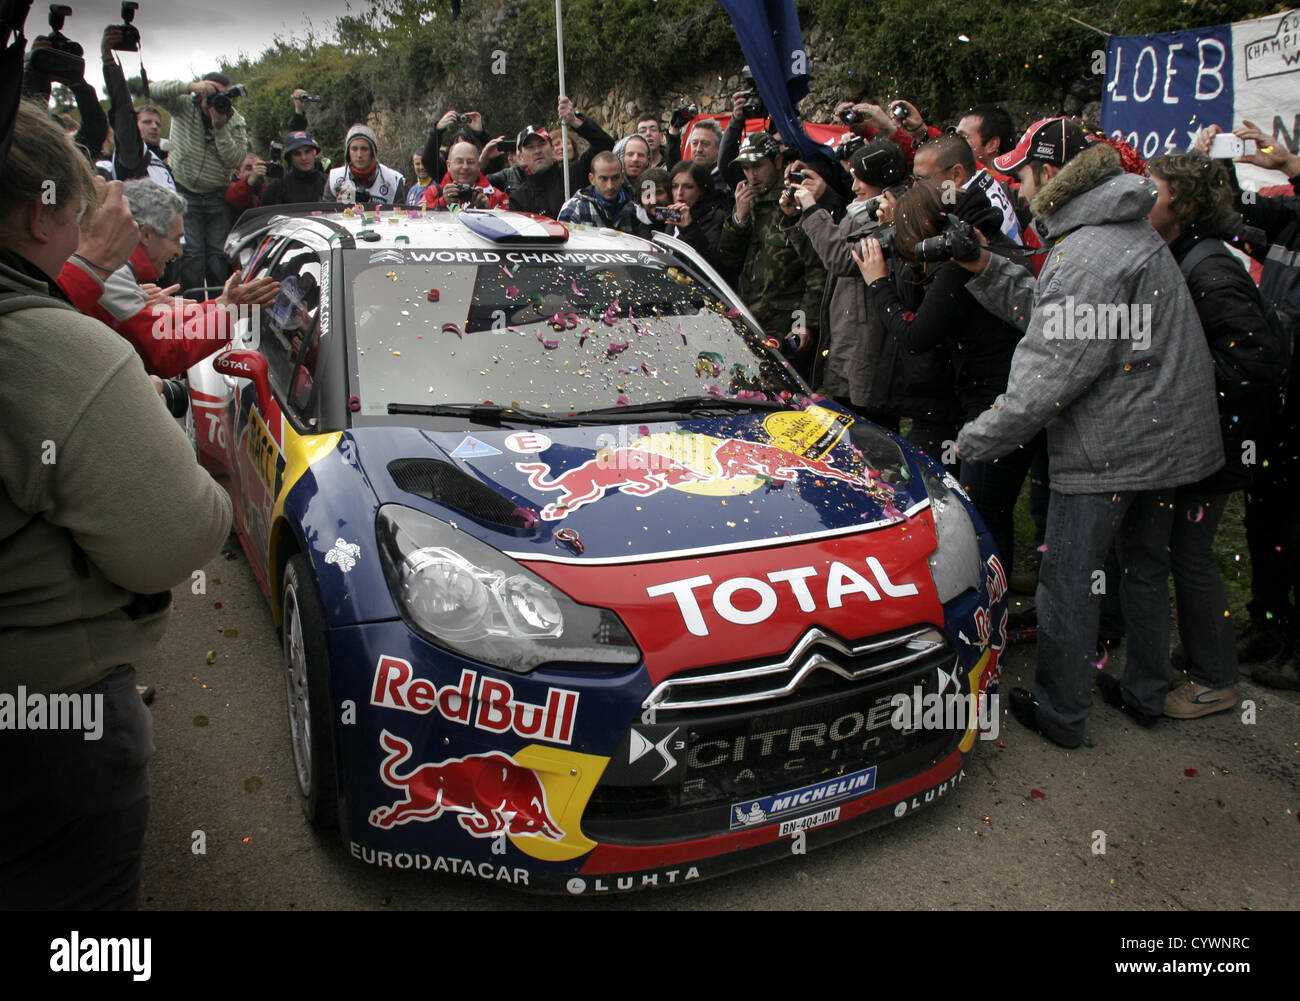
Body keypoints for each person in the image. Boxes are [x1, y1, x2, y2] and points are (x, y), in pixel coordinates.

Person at [0, 100, 233, 909]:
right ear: (41, 212)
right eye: (82, 209)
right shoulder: (50, 322)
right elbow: (177, 535)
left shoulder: (73, 286)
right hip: (48, 724)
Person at [953, 117, 1223, 747]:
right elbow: (1056, 313)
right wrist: (985, 266)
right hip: (1164, 446)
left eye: (1020, 175)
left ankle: (1061, 713)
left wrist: (976, 439)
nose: (1016, 190)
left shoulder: (1088, 254)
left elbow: (1048, 374)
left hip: (1111, 452)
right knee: (1144, 568)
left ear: (1052, 175)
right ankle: (1146, 692)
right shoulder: (1119, 231)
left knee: (1069, 583)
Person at [1145, 151, 1290, 716]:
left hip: (1222, 444)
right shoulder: (1183, 253)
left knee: (1192, 553)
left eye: (1150, 191)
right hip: (1205, 436)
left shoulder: (1209, 267)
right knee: (1183, 550)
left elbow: (1260, 355)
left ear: (1181, 204)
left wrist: (1186, 382)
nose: (1140, 200)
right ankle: (1208, 652)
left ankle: (1216, 679)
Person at [853, 176, 1038, 571]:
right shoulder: (962, 255)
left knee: (982, 514)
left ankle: (992, 603)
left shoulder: (957, 269)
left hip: (998, 405)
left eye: (902, 233)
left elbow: (916, 334)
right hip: (998, 398)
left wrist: (877, 282)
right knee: (986, 510)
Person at [1193, 121, 1300, 690]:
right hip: (1277, 402)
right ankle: (1266, 623)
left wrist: (1289, 166)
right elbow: (1233, 216)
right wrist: (1220, 164)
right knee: (1267, 517)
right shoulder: (1286, 219)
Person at [58, 178, 279, 378]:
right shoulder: (112, 276)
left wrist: (221, 304)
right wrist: (231, 310)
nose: (179, 253)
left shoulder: (115, 274)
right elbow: (165, 354)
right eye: (176, 240)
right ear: (146, 235)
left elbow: (160, 329)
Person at [719, 132, 825, 381]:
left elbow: (816, 267)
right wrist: (739, 218)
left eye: (757, 166)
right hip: (750, 321)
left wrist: (805, 322)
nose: (752, 176)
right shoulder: (748, 202)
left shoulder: (794, 201)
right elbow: (727, 260)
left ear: (777, 162)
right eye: (746, 168)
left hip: (785, 327)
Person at [152, 72, 249, 293]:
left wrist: (220, 128)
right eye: (213, 93)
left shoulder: (235, 121)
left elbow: (235, 159)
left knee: (218, 256)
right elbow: (153, 90)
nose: (216, 100)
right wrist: (189, 86)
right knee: (192, 256)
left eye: (224, 96)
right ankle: (193, 309)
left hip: (216, 195)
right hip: (184, 192)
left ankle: (219, 306)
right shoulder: (185, 105)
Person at [504, 97, 615, 219]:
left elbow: (606, 145)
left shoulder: (574, 173)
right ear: (521, 156)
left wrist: (574, 121)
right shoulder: (519, 199)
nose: (537, 151)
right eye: (530, 147)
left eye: (541, 144)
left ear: (552, 148)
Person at [558, 151, 652, 235]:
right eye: (603, 179)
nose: (610, 185)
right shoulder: (574, 208)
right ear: (592, 179)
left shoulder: (636, 211)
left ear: (622, 177)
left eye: (615, 178)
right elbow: (564, 247)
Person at [659, 160, 724, 269]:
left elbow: (709, 264)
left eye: (688, 186)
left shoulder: (716, 218)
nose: (679, 192)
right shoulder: (673, 216)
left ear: (701, 189)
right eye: (675, 186)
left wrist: (689, 227)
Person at [326, 123, 406, 205]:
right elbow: (324, 213)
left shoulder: (393, 181)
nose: (359, 155)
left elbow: (401, 215)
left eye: (364, 149)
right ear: (348, 153)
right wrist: (337, 207)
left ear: (373, 152)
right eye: (354, 149)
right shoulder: (334, 178)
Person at [421, 139, 509, 211]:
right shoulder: (433, 193)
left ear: (478, 165)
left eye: (470, 162)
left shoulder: (497, 196)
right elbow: (418, 219)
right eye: (459, 161)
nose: (465, 167)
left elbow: (510, 226)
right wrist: (442, 202)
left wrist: (488, 210)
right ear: (449, 165)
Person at [260, 130, 326, 205]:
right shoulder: (278, 185)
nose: (303, 158)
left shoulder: (327, 182)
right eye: (297, 154)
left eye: (307, 152)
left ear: (314, 153)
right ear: (290, 158)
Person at [225, 151, 266, 218]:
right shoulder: (231, 188)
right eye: (249, 168)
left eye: (258, 167)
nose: (255, 171)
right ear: (237, 173)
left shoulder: (265, 190)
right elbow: (237, 199)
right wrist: (249, 182)